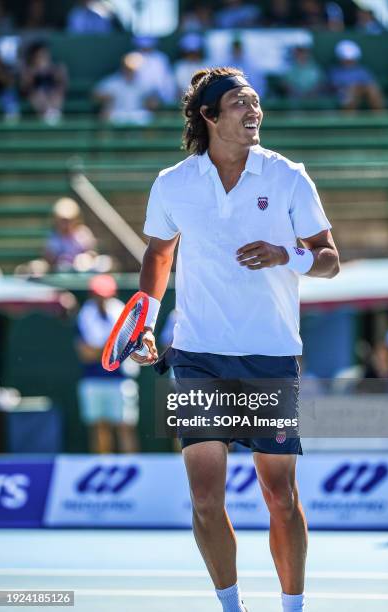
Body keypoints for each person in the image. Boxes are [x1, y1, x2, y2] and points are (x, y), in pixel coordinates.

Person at [130, 66, 340, 612]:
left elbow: (329, 259)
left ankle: (292, 607)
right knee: (204, 498)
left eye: (256, 102)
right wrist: (145, 321)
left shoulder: (288, 175)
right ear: (209, 115)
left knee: (280, 498)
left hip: (269, 354)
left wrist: (284, 255)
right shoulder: (172, 183)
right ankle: (231, 606)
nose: (254, 112)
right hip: (197, 354)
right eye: (241, 103)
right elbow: (158, 254)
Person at [76, 274, 140, 453]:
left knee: (125, 428)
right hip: (93, 381)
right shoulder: (84, 316)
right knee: (98, 429)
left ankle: (131, 472)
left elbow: (122, 350)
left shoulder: (122, 313)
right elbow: (85, 354)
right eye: (97, 295)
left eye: (104, 295)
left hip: (121, 381)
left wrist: (103, 350)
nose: (100, 299)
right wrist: (110, 348)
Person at [93, 52, 153, 124]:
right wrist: (105, 98)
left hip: (138, 114)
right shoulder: (112, 81)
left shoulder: (144, 83)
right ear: (123, 67)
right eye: (128, 67)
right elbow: (95, 95)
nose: (130, 70)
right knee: (106, 115)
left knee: (148, 118)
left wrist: (149, 101)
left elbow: (152, 101)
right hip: (117, 113)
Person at [329, 39, 384, 111]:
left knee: (372, 90)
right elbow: (336, 87)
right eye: (346, 59)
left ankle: (380, 118)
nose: (348, 61)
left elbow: (371, 85)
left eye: (351, 59)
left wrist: (359, 88)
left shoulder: (362, 71)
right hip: (344, 96)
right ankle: (349, 121)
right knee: (351, 92)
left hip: (363, 95)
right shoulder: (335, 71)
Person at [20, 41, 67, 124]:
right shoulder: (28, 69)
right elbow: (24, 89)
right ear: (34, 56)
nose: (43, 57)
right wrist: (35, 72)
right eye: (40, 55)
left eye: (45, 54)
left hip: (52, 94)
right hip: (36, 94)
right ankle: (47, 119)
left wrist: (52, 71)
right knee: (39, 95)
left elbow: (62, 84)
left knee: (56, 95)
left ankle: (53, 116)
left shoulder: (56, 67)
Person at [44, 198, 97, 272]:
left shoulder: (84, 233)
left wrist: (86, 258)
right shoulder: (54, 236)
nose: (66, 223)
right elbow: (49, 260)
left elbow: (92, 254)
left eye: (69, 220)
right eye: (63, 220)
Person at [174, 33, 206, 98]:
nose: (192, 55)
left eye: (195, 52)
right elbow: (177, 90)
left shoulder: (207, 65)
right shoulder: (179, 66)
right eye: (190, 53)